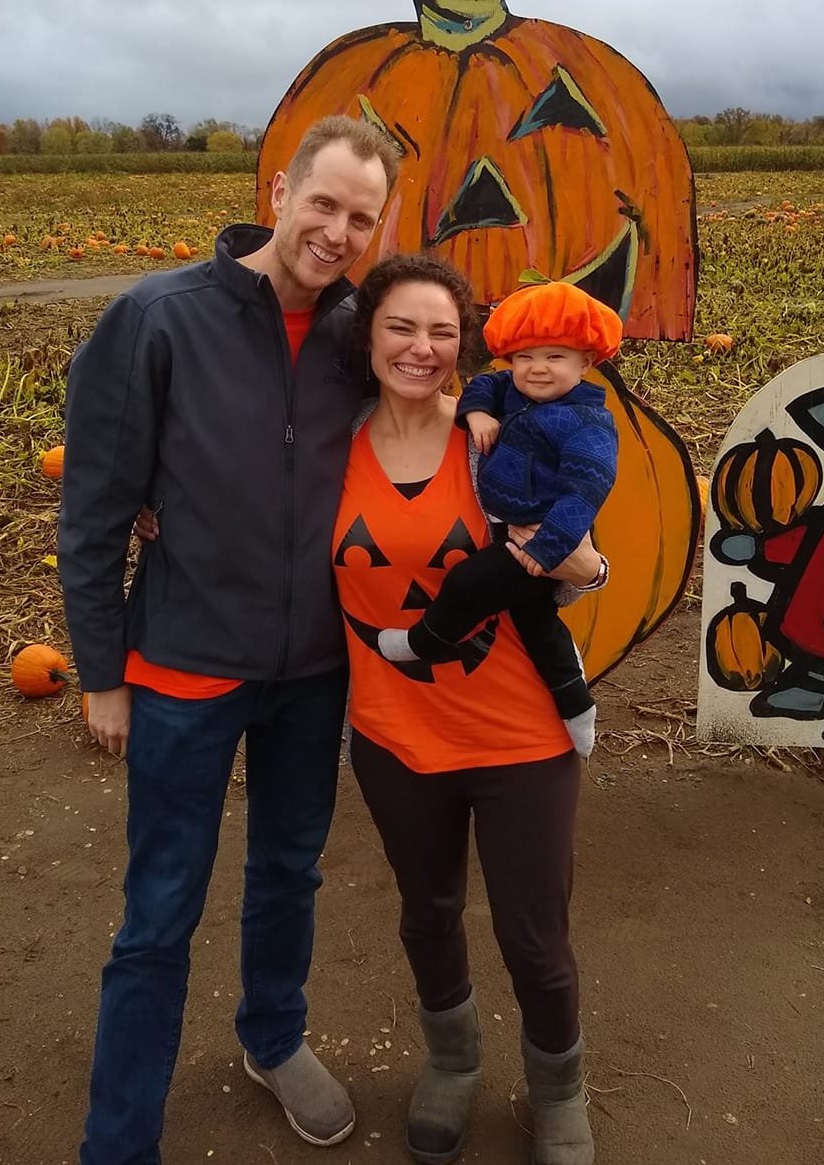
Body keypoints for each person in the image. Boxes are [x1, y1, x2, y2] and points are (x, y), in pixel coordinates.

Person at [57, 114, 401, 1164]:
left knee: (289, 871)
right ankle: (120, 1143)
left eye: (362, 217)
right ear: (279, 189)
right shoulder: (159, 320)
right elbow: (94, 510)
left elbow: (432, 423)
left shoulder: (362, 338)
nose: (337, 231)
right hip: (183, 668)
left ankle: (272, 1036)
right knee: (160, 908)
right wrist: (103, 673)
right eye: (324, 202)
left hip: (313, 670)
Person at [335, 253, 606, 1165]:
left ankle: (557, 1088)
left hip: (519, 734)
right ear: (366, 336)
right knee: (427, 910)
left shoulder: (494, 437)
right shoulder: (323, 453)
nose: (419, 348)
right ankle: (452, 1064)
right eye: (399, 328)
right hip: (392, 732)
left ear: (466, 347)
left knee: (535, 936)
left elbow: (579, 552)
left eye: (441, 332)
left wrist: (585, 565)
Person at [377, 279, 621, 758]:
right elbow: (487, 383)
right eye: (525, 357)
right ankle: (576, 705)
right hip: (518, 528)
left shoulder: (585, 424)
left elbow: (586, 490)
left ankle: (428, 640)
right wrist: (477, 412)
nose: (537, 369)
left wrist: (548, 551)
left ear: (586, 362)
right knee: (537, 626)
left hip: (547, 533)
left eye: (555, 357)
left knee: (470, 583)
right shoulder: (512, 388)